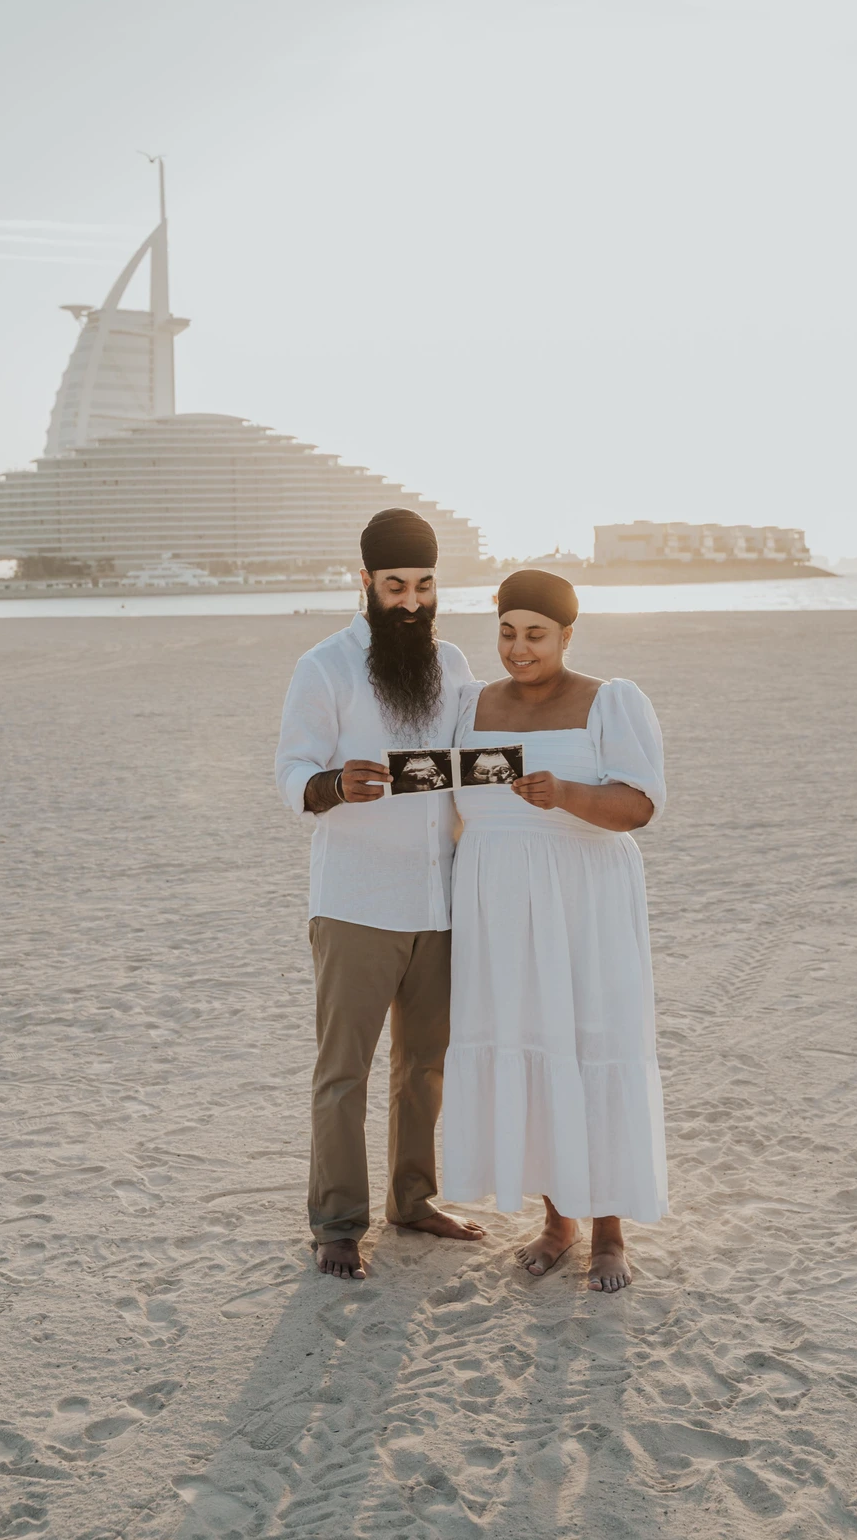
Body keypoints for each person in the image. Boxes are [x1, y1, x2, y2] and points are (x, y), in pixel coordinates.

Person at [442, 569, 669, 1292]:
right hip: (498, 900)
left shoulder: (609, 700)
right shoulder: (470, 704)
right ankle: (556, 1220)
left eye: (535, 634)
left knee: (593, 1042)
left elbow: (637, 807)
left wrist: (564, 793)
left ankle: (608, 1231)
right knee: (529, 1041)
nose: (518, 648)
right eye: (506, 632)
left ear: (566, 636)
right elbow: (448, 799)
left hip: (584, 899)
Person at [275, 507, 486, 1279]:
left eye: (424, 586)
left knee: (425, 1065)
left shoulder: (455, 662)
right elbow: (289, 773)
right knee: (344, 1072)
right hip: (356, 901)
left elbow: (474, 762)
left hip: (440, 898)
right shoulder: (323, 666)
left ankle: (414, 1199)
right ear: (363, 583)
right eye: (394, 586)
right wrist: (334, 784)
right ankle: (336, 1222)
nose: (410, 602)